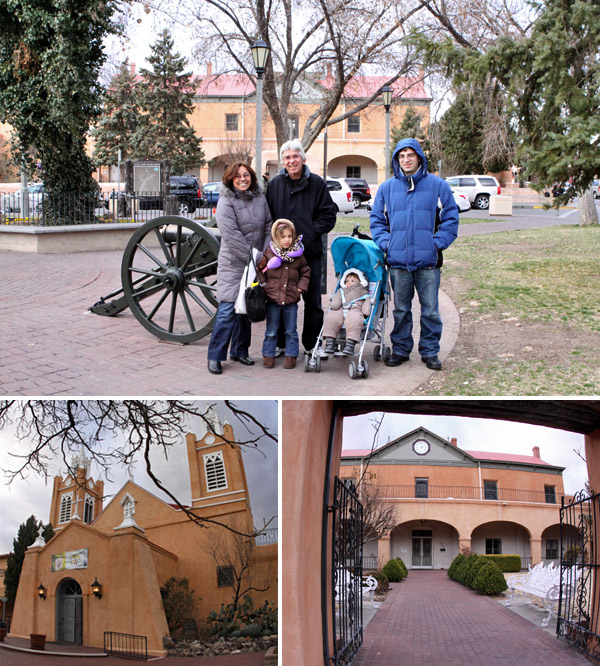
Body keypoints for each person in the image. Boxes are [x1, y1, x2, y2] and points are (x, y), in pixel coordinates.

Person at [370, 138, 459, 371]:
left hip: (428, 262)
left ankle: (430, 352)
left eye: (410, 155)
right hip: (398, 262)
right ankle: (400, 349)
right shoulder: (387, 188)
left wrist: (436, 244)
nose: (406, 159)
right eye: (401, 156)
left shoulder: (438, 186)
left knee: (430, 310)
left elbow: (451, 218)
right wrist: (387, 243)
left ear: (419, 157)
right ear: (397, 159)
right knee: (401, 310)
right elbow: (377, 221)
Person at [265, 140, 337, 354]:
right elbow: (268, 216)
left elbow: (328, 215)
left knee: (313, 302)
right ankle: (280, 343)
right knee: (278, 299)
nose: (291, 161)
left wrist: (310, 233)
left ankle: (312, 345)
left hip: (309, 254)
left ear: (303, 159)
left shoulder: (317, 184)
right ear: (283, 162)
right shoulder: (275, 185)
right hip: (281, 256)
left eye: (295, 156)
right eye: (287, 157)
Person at [206, 162, 272, 375]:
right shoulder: (226, 200)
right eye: (238, 176)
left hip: (256, 260)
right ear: (230, 179)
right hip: (234, 263)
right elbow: (231, 234)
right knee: (227, 310)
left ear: (252, 177)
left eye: (246, 175)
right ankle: (215, 356)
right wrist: (255, 257)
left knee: (247, 307)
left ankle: (240, 351)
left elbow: (268, 226)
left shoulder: (260, 198)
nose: (242, 179)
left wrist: (263, 254)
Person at [259, 219, 311, 369]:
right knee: (271, 330)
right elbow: (261, 271)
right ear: (276, 237)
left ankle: (291, 355)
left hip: (291, 299)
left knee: (291, 330)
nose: (287, 240)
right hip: (273, 299)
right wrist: (265, 286)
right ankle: (268, 354)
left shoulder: (298, 255)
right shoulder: (269, 253)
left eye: (289, 236)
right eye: (283, 237)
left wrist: (300, 288)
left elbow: (306, 272)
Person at [322, 269, 371, 356]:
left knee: (355, 319)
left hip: (355, 309)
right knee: (332, 316)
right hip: (341, 308)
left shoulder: (364, 293)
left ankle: (350, 344)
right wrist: (337, 297)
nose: (348, 283)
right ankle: (330, 342)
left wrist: (367, 308)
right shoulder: (342, 291)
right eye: (347, 280)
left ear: (361, 281)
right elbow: (335, 305)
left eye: (353, 281)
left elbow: (366, 309)